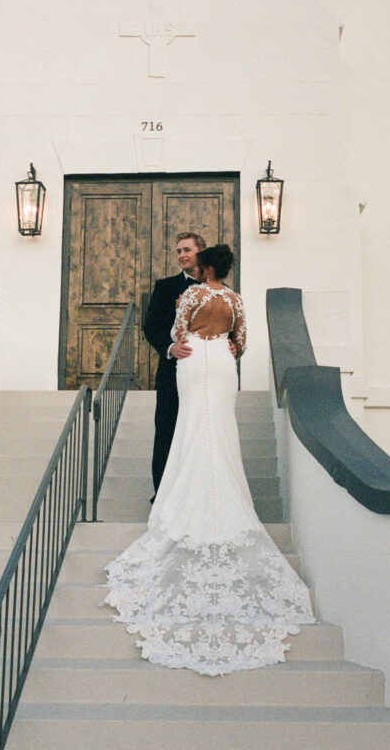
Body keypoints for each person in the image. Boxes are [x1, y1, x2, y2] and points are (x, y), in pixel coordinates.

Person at [104, 244, 315, 676]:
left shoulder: (191, 296)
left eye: (198, 260)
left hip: (194, 358)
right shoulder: (235, 299)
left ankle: (181, 497)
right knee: (220, 428)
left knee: (190, 428)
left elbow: (178, 334)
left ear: (207, 266)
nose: (193, 264)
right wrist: (222, 345)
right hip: (220, 361)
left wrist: (186, 345)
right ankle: (227, 499)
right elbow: (241, 342)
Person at [143, 231, 206, 499]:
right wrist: (170, 348)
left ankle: (198, 492)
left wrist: (230, 346)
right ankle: (162, 494)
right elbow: (151, 327)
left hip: (205, 373)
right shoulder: (165, 287)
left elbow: (228, 329)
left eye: (187, 250)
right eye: (178, 251)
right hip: (171, 373)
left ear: (200, 253)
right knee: (167, 430)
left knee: (201, 431)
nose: (181, 255)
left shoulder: (221, 290)